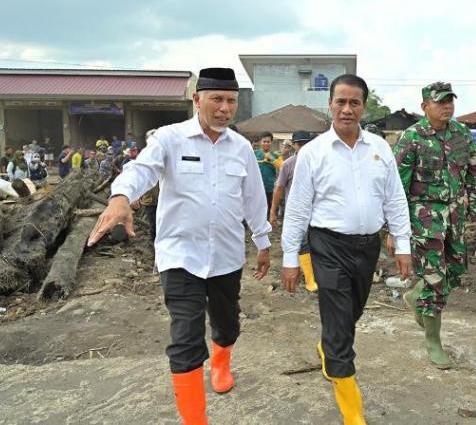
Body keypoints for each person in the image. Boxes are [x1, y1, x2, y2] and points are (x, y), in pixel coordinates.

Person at [87, 67, 272, 424]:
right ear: (197, 99)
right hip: (180, 255)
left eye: (231, 101)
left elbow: (253, 201)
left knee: (227, 323)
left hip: (227, 255)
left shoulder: (241, 149)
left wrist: (262, 241)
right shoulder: (170, 139)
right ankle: (195, 419)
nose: (224, 108)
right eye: (216, 99)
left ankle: (221, 363)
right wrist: (122, 196)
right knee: (186, 337)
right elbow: (141, 169)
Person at [281, 74, 411, 423]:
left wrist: (403, 245)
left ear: (364, 107)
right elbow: (296, 210)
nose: (347, 108)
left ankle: (329, 345)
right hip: (328, 246)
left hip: (367, 247)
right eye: (341, 101)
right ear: (330, 105)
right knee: (340, 324)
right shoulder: (313, 153)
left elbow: (395, 198)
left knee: (351, 313)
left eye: (355, 102)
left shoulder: (380, 149)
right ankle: (353, 411)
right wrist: (290, 258)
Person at [394, 81, 476, 369]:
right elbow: (397, 185)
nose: (447, 105)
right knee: (436, 279)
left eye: (450, 100)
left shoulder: (461, 134)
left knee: (457, 270)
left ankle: (416, 296)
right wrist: (394, 229)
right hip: (424, 219)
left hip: (455, 218)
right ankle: (433, 340)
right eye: (440, 101)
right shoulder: (411, 137)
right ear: (425, 107)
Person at [268, 130, 317, 292]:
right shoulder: (288, 164)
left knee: (316, 242)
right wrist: (273, 212)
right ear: (294, 145)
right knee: (302, 243)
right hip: (296, 212)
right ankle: (310, 280)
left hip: (316, 211)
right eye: (299, 144)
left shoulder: (317, 162)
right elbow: (279, 189)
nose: (303, 147)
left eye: (306, 144)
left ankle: (314, 274)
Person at [254, 132, 278, 212]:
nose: (266, 143)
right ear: (260, 142)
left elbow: (283, 167)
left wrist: (272, 159)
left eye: (268, 142)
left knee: (268, 210)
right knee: (257, 210)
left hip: (270, 188)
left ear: (271, 142)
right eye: (264, 141)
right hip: (257, 188)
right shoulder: (254, 154)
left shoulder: (276, 155)